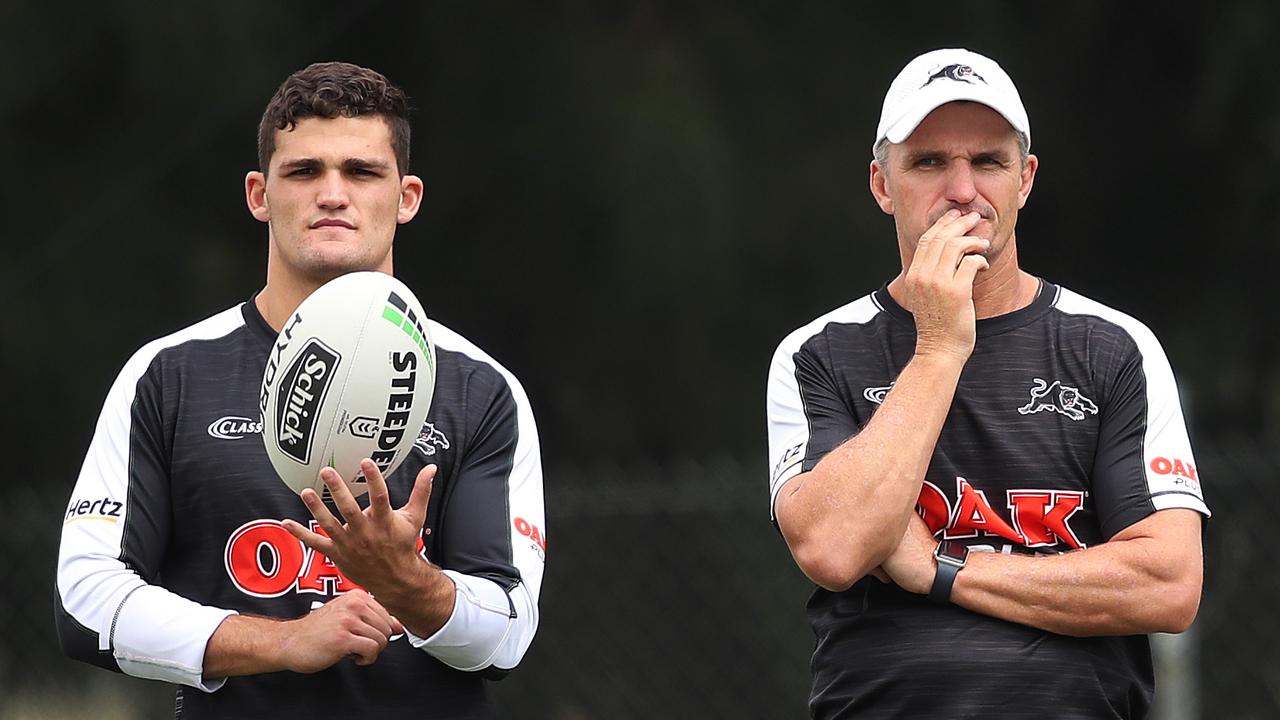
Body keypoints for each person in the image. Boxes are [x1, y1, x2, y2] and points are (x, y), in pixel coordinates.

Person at [56, 62, 546, 719]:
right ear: (260, 193)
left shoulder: (483, 390)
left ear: (407, 196)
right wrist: (282, 642)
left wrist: (408, 583)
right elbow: (84, 602)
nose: (334, 194)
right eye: (304, 171)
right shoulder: (167, 374)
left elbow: (507, 635)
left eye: (362, 171)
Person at [766, 48, 1209, 719]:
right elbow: (832, 546)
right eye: (929, 162)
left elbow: (1168, 585)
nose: (964, 191)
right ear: (883, 185)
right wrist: (941, 345)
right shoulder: (819, 353)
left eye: (989, 162)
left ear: (1025, 179)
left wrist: (943, 572)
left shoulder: (1114, 347)